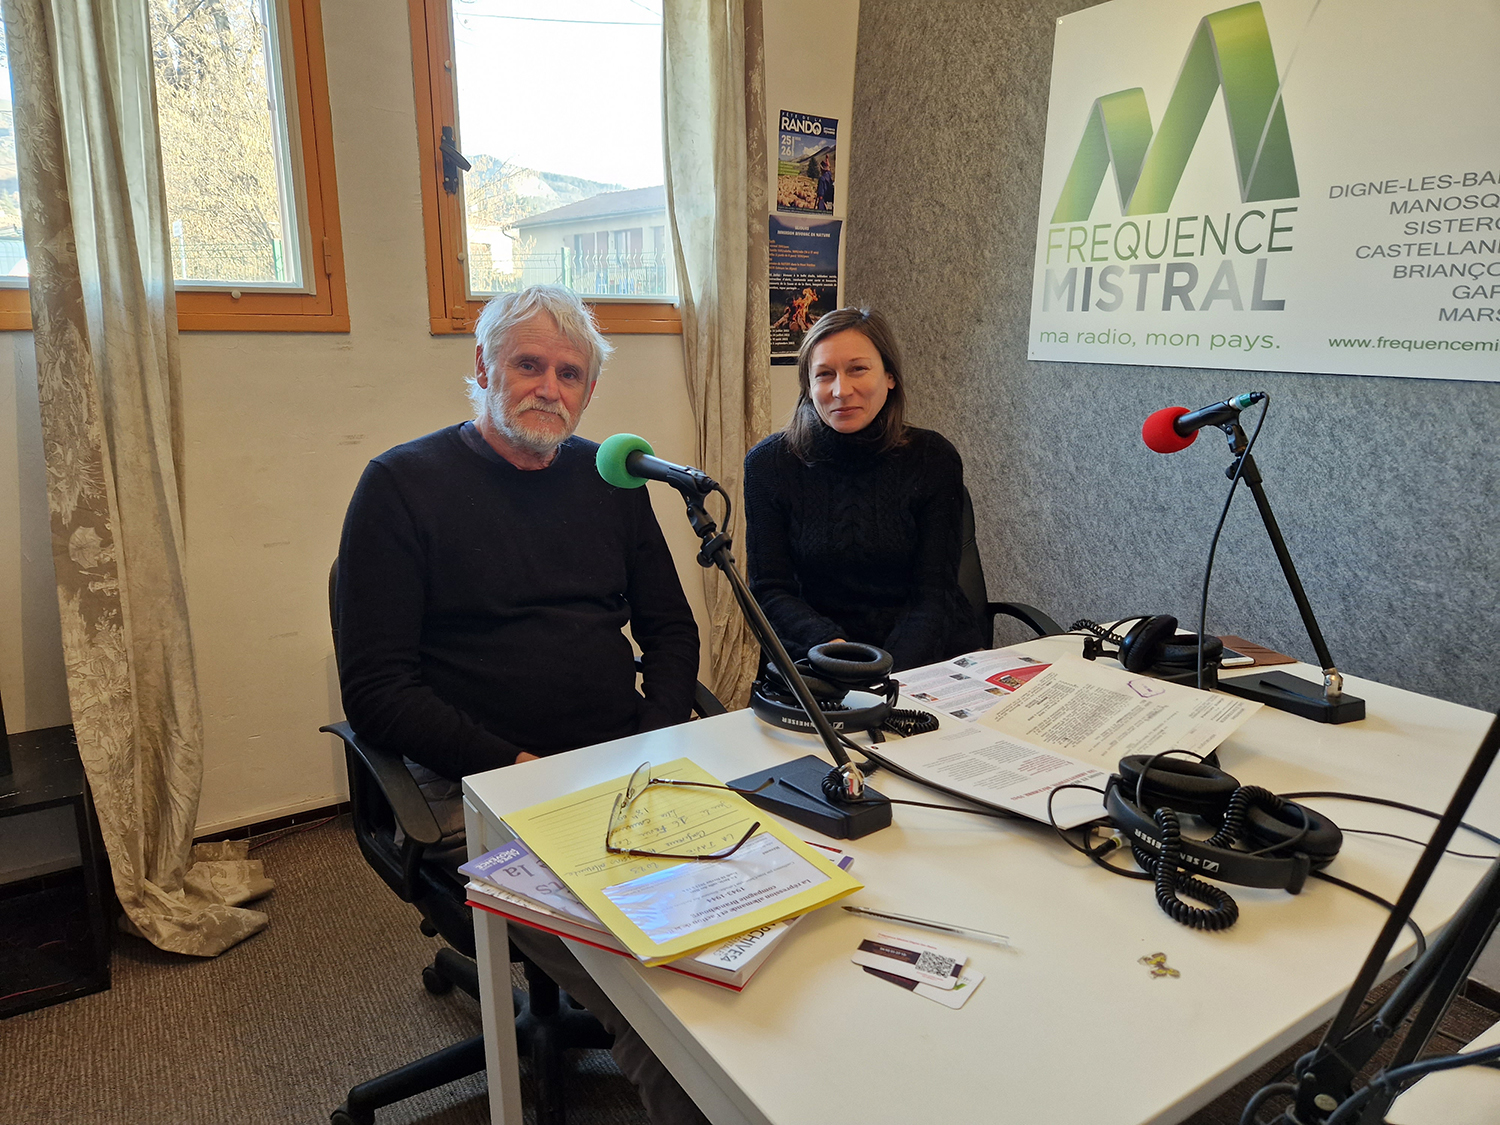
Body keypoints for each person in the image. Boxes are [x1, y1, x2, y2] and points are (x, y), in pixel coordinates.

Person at [335, 285, 707, 1125]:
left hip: (621, 765)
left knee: (745, 927)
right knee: (656, 1009)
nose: (549, 387)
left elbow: (671, 630)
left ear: (589, 390)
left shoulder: (611, 478)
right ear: (482, 367)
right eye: (528, 364)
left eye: (569, 373)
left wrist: (651, 739)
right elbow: (378, 691)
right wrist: (514, 769)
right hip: (486, 783)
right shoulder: (399, 487)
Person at [743, 306, 985, 673]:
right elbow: (770, 591)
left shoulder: (933, 458)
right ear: (808, 387)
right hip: (817, 657)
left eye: (858, 369)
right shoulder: (769, 465)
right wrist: (835, 651)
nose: (842, 390)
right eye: (825, 375)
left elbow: (934, 594)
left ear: (889, 376)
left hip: (922, 657)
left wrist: (886, 673)